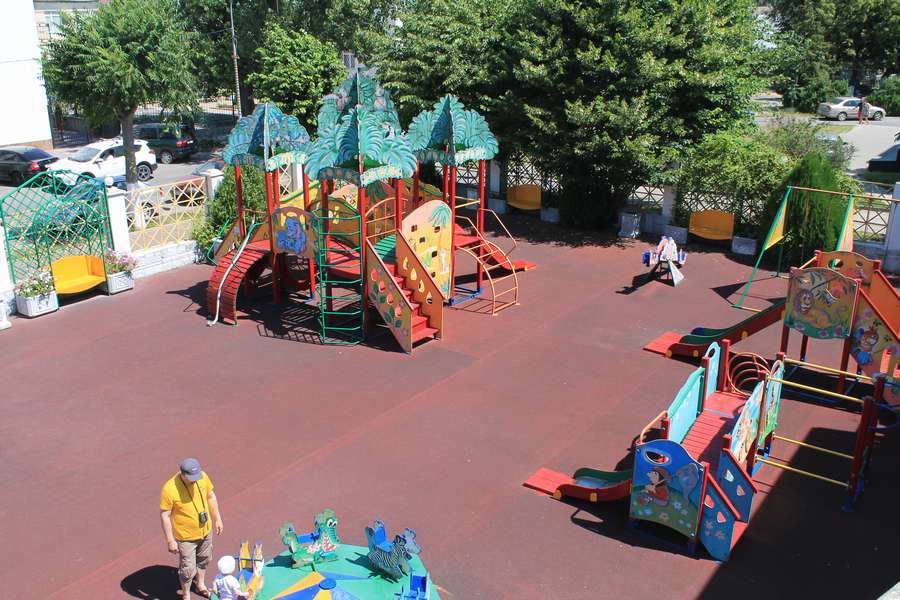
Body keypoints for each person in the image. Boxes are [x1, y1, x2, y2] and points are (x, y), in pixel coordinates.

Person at [160, 458, 224, 599]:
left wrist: (217, 519)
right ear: (182, 474)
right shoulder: (170, 489)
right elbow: (165, 515)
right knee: (188, 569)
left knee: (204, 559)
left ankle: (200, 585)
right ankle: (186, 594)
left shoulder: (203, 477)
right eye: (191, 478)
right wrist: (170, 540)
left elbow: (211, 496)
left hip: (206, 531)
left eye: (197, 476)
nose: (195, 480)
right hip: (186, 538)